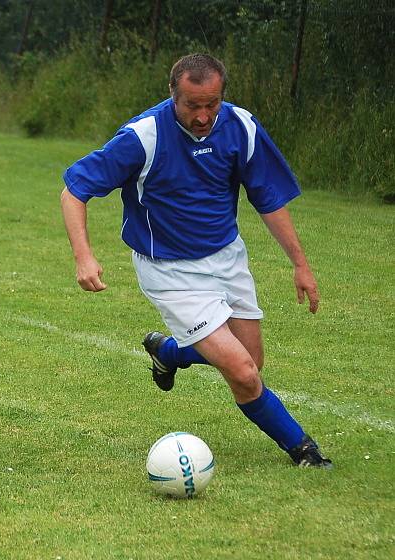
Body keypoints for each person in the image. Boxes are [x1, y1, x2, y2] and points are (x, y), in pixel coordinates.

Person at [60, 53, 332, 469]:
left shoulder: (240, 126)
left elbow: (268, 198)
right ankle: (304, 450)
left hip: (227, 258)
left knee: (251, 361)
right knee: (242, 372)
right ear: (173, 95)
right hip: (169, 270)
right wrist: (84, 256)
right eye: (193, 106)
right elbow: (74, 190)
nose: (204, 116)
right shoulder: (144, 136)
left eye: (212, 104)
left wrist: (300, 263)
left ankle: (168, 353)